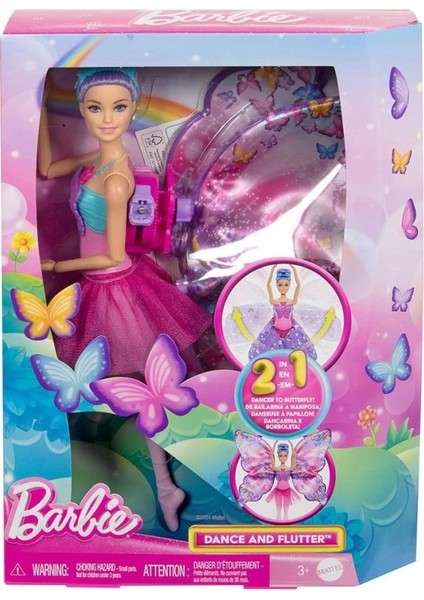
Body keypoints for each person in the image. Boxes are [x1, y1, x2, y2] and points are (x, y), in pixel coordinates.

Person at [37, 67, 210, 531]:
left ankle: (168, 483)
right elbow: (48, 169)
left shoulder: (116, 179)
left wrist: (56, 267)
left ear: (133, 108)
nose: (107, 118)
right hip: (98, 287)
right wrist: (39, 108)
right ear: (82, 110)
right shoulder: (96, 160)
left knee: (149, 389)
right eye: (95, 108)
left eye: (118, 107)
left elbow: (113, 254)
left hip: (117, 288)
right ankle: (116, 470)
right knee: (112, 384)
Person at [248, 264, 317, 360]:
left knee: (296, 349)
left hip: (291, 331)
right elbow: (268, 285)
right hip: (275, 330)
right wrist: (272, 269)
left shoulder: (292, 301)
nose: (283, 288)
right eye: (280, 285)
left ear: (289, 285)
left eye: (286, 285)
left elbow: (298, 285)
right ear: (276, 285)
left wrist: (294, 270)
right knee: (269, 350)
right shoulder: (274, 301)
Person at [265, 440, 300, 521]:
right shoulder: (275, 468)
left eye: (285, 456)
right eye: (280, 456)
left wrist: (291, 445)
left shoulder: (290, 468)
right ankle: (278, 522)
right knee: (278, 511)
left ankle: (286, 522)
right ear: (278, 456)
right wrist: (274, 445)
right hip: (278, 491)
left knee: (286, 511)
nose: (283, 458)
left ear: (287, 456)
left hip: (288, 491)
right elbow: (271, 456)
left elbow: (294, 456)